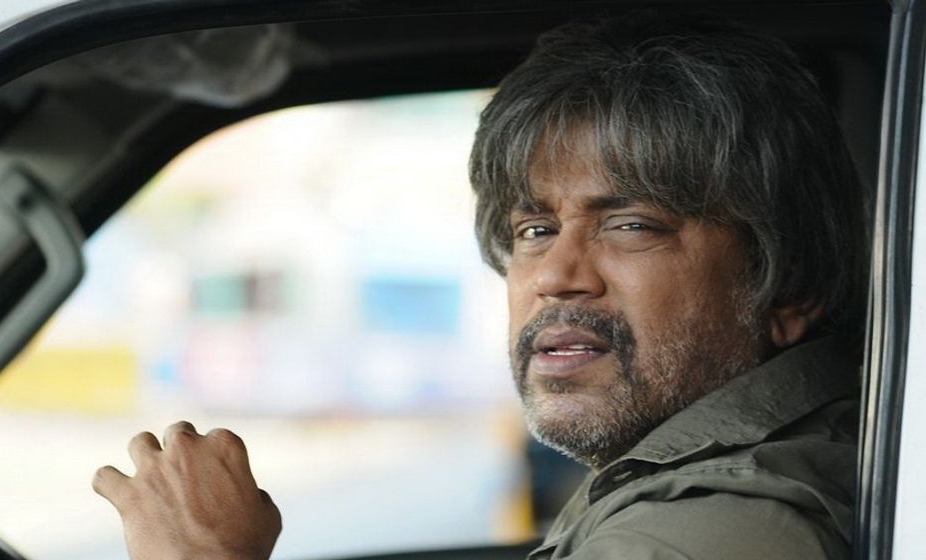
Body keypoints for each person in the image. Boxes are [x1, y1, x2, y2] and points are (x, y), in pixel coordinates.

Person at [92, 11, 866, 560]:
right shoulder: (686, 485)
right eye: (535, 229)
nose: (556, 276)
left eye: (631, 224)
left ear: (787, 289)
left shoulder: (707, 531)